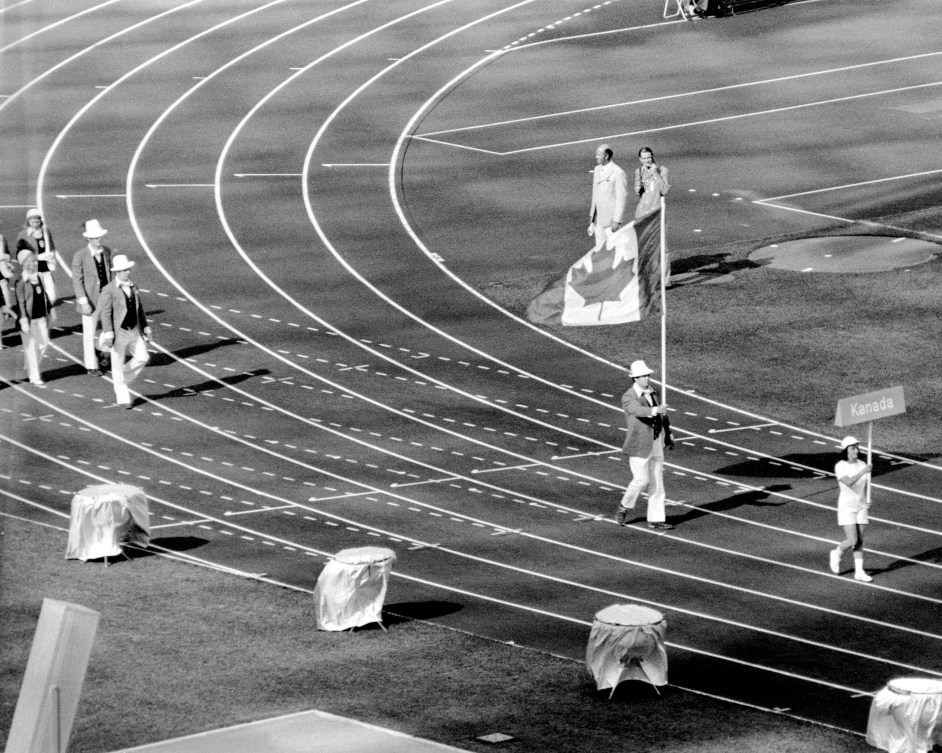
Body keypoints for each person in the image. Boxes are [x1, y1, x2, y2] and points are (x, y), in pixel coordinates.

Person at [617, 359, 675, 530]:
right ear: (635, 378)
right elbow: (637, 411)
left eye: (648, 375)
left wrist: (668, 434)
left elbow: (662, 416)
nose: (647, 379)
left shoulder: (653, 393)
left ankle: (656, 519)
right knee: (641, 480)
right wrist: (655, 410)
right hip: (639, 444)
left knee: (657, 482)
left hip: (656, 441)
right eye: (643, 376)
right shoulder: (629, 396)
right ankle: (625, 506)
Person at [98, 254, 151, 409]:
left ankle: (121, 375)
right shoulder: (108, 290)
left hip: (134, 329)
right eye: (124, 270)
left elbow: (139, 308)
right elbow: (105, 313)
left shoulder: (134, 286)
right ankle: (123, 398)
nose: (128, 272)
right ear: (117, 272)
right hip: (119, 331)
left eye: (128, 269)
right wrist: (108, 333)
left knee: (143, 357)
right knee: (117, 361)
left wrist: (146, 326)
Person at [71, 219, 113, 376]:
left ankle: (100, 349)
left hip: (106, 298)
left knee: (113, 327)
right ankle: (91, 366)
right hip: (90, 300)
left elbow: (111, 274)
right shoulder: (80, 255)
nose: (98, 240)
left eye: (100, 237)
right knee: (89, 332)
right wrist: (83, 301)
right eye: (95, 238)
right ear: (88, 239)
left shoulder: (106, 251)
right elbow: (77, 280)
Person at [829, 436, 873, 581]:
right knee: (852, 540)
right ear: (846, 450)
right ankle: (837, 553)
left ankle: (859, 572)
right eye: (853, 448)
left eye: (857, 447)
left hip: (860, 505)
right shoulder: (840, 466)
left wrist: (867, 499)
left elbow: (864, 484)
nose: (856, 450)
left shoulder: (862, 464)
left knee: (860, 540)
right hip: (847, 507)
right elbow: (848, 482)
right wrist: (864, 471)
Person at [13, 256, 55, 385]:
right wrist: (23, 319)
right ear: (24, 265)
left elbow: (44, 295)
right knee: (31, 348)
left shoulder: (39, 277)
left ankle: (30, 366)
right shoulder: (21, 281)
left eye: (35, 262)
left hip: (41, 317)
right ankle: (34, 376)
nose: (34, 264)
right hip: (29, 320)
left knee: (43, 344)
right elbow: (20, 302)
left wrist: (50, 309)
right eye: (31, 262)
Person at [588, 143, 629, 249]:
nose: (596, 157)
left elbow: (621, 198)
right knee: (600, 250)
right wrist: (592, 218)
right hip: (598, 219)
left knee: (615, 250)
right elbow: (595, 194)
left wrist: (617, 220)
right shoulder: (597, 169)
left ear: (606, 156)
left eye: (598, 154)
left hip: (611, 221)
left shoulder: (618, 173)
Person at [16, 207, 57, 305]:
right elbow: (20, 255)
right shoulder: (23, 235)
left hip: (46, 269)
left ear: (40, 221)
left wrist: (52, 255)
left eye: (37, 222)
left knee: (52, 297)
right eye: (32, 222)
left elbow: (51, 246)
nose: (35, 225)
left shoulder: (46, 231)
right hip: (32, 270)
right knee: (37, 298)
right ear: (28, 222)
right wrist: (37, 257)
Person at [634, 147, 670, 219]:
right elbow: (637, 190)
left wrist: (655, 173)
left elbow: (665, 190)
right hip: (642, 211)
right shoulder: (639, 171)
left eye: (648, 158)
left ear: (652, 157)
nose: (647, 160)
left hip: (656, 211)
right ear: (640, 159)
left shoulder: (662, 170)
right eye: (644, 158)